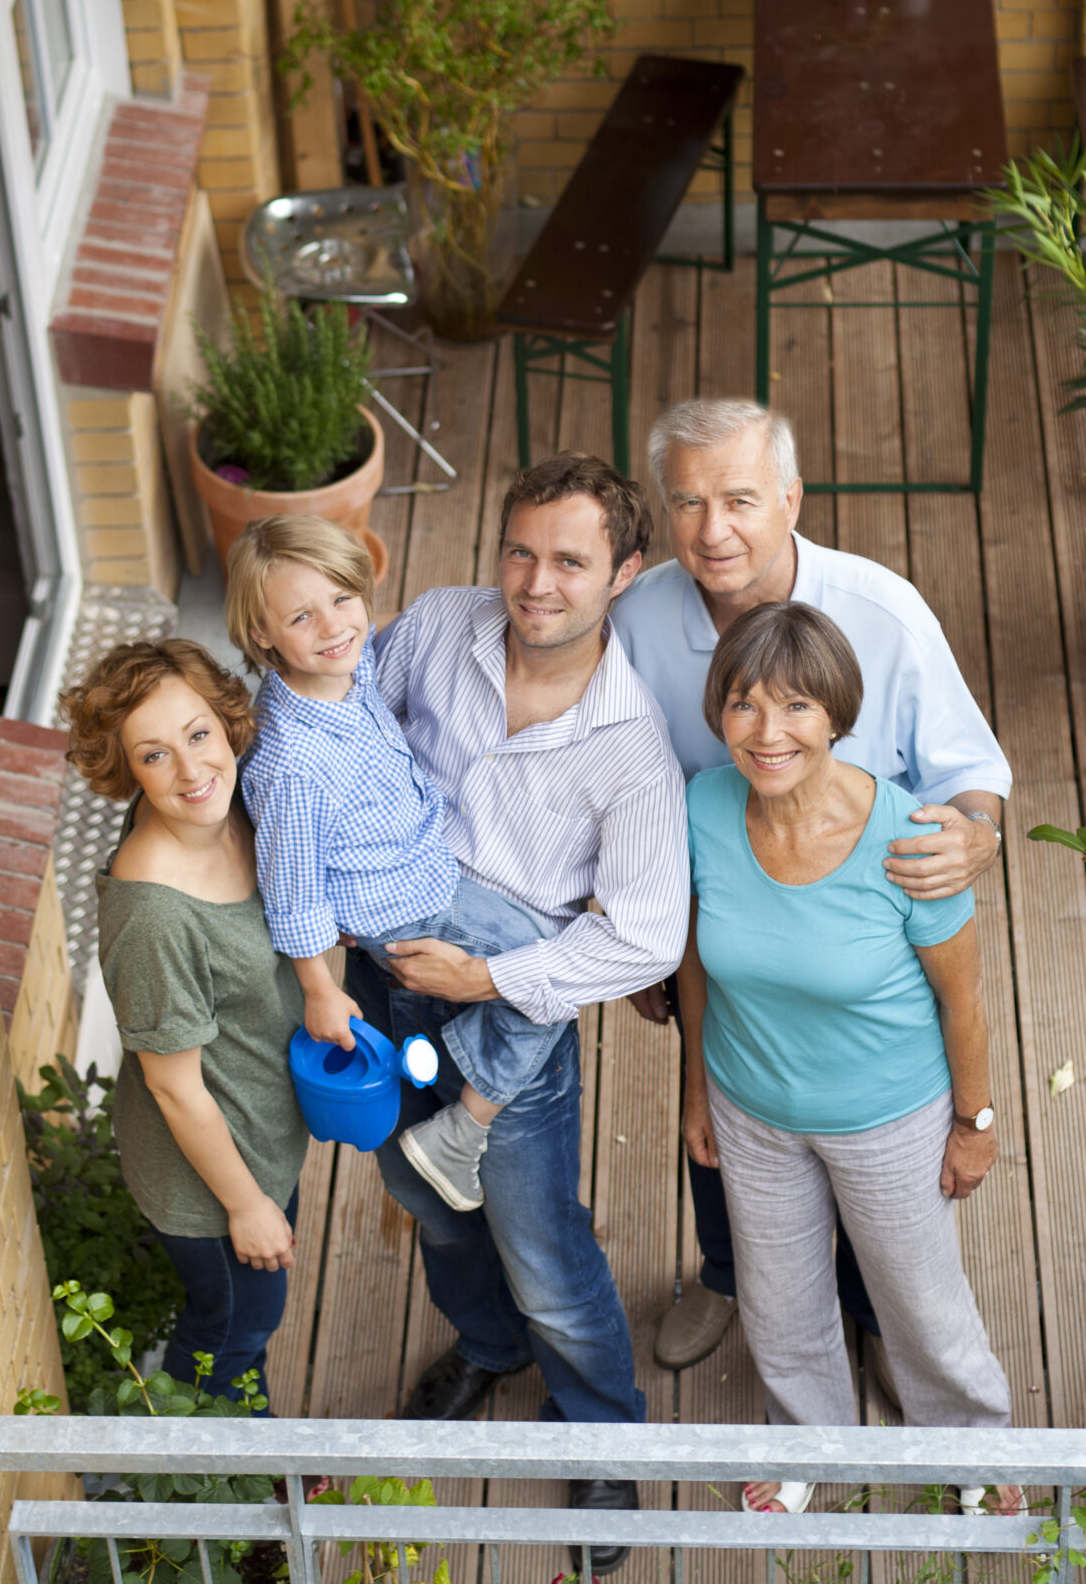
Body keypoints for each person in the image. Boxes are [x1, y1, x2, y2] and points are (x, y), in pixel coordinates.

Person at [608, 397, 1015, 1385]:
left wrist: (975, 835)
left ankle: (880, 1313)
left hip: (860, 931)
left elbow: (969, 769)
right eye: (689, 503)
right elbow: (600, 774)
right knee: (726, 1120)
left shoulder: (880, 611)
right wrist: (627, 927)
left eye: (740, 499)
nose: (714, 531)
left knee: (885, 1190)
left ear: (790, 497)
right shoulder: (633, 622)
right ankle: (731, 1274)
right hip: (710, 921)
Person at [352, 454, 689, 1577]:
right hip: (379, 980)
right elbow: (355, 714)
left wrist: (487, 982)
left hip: (504, 1021)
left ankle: (600, 1431)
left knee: (543, 1248)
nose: (537, 582)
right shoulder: (441, 626)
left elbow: (644, 937)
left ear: (624, 574)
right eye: (522, 551)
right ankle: (486, 1348)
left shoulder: (631, 749)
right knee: (420, 1190)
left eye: (571, 561)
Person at [676, 602, 1017, 1515]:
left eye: (794, 707)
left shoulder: (912, 840)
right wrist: (698, 1093)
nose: (767, 731)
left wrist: (975, 1124)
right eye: (744, 706)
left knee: (921, 1305)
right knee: (779, 1302)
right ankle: (808, 1444)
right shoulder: (703, 809)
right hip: (753, 1110)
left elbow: (965, 1003)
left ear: (835, 714)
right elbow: (697, 964)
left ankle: (975, 1449)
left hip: (889, 1118)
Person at [226, 514, 563, 1214]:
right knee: (556, 972)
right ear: (262, 635)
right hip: (403, 909)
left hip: (424, 868)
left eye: (344, 599)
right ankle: (462, 1129)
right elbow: (291, 890)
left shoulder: (353, 669)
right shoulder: (292, 759)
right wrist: (319, 989)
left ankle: (463, 1062)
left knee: (542, 951)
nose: (333, 626)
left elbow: (385, 632)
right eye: (301, 616)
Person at [61, 638, 308, 1408]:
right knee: (233, 1325)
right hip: (209, 1178)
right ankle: (199, 1490)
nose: (192, 771)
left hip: (257, 1126)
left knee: (247, 1327)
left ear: (225, 721)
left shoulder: (231, 804)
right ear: (126, 771)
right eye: (154, 756)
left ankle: (255, 1447)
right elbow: (176, 1091)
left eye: (198, 735)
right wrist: (245, 1205)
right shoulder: (154, 915)